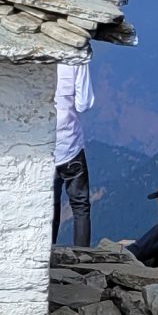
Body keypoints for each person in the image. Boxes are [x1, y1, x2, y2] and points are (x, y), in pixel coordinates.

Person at [52, 58, 94, 248]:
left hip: (45, 148)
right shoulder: (77, 58)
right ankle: (82, 257)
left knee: (49, 206)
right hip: (70, 146)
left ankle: (46, 255)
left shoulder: (37, 55)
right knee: (80, 206)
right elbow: (83, 103)